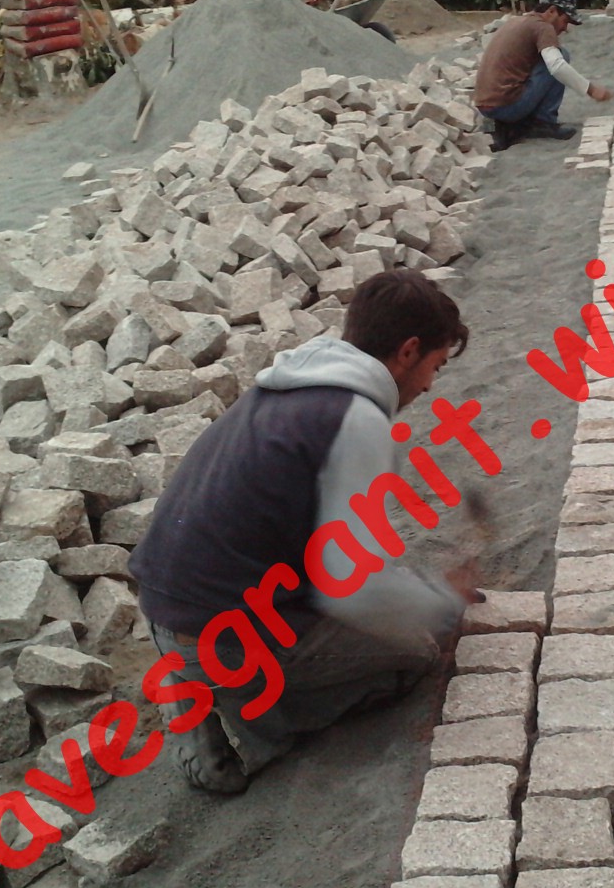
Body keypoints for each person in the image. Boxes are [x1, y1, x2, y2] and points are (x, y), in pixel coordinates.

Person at [128, 268, 480, 793]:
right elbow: (351, 588)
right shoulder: (356, 419)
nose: (430, 384)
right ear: (408, 351)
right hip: (222, 639)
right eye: (435, 365)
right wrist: (441, 604)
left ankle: (191, 676)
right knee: (415, 653)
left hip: (164, 611)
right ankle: (241, 725)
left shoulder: (290, 383)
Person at [473, 0, 613, 152]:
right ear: (552, 11)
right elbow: (557, 66)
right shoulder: (543, 27)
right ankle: (543, 122)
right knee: (561, 55)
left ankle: (509, 125)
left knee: (544, 59)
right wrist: (591, 90)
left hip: (485, 107)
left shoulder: (517, 22)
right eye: (565, 20)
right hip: (506, 107)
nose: (565, 28)